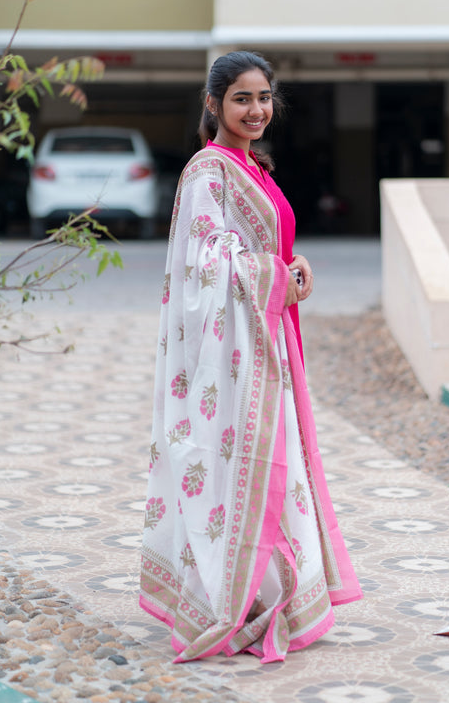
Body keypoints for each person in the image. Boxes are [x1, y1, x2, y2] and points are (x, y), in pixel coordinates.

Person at [140, 51, 362, 664]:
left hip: (266, 339)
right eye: (242, 98)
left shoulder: (250, 166)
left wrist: (294, 265)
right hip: (233, 355)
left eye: (264, 97)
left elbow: (263, 242)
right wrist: (270, 275)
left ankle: (271, 592)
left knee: (275, 461)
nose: (257, 109)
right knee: (237, 458)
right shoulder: (208, 172)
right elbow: (204, 261)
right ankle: (229, 595)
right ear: (213, 104)